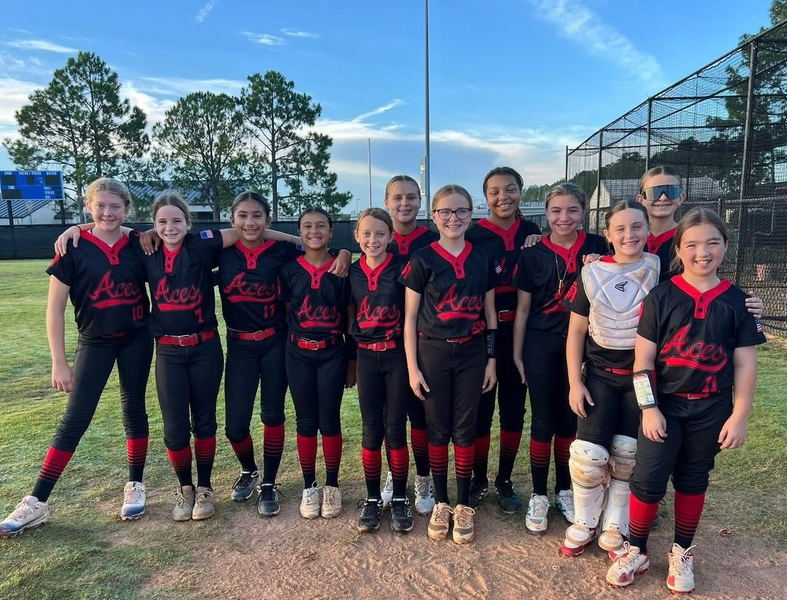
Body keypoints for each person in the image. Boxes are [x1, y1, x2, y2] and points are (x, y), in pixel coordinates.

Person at [607, 208, 766, 594]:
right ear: (678, 248)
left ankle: (682, 550)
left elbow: (745, 364)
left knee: (694, 478)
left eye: (713, 242)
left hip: (711, 407)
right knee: (647, 478)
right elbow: (642, 361)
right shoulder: (661, 296)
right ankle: (638, 548)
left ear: (726, 246)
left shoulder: (738, 302)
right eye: (692, 244)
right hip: (665, 404)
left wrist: (740, 415)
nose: (703, 252)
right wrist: (648, 408)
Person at [0, 178, 153, 537]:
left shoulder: (138, 243)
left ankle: (135, 483)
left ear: (126, 209)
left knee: (134, 409)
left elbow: (149, 236)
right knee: (75, 418)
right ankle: (37, 501)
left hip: (136, 338)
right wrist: (59, 361)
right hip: (94, 342)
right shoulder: (73, 247)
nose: (107, 212)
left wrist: (87, 226)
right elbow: (54, 309)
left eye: (115, 206)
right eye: (100, 206)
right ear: (89, 207)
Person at [218, 191, 350, 517]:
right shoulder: (218, 252)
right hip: (240, 344)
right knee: (235, 426)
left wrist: (345, 250)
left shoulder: (282, 252)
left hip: (278, 343)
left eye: (257, 216)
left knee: (275, 414)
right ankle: (250, 470)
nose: (250, 222)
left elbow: (317, 244)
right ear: (232, 220)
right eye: (243, 216)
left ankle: (272, 483)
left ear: (268, 220)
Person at [561, 200, 659, 557]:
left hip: (640, 379)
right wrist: (575, 381)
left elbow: (705, 280)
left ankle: (614, 523)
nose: (629, 234)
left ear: (648, 230)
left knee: (627, 455)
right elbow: (575, 333)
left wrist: (751, 306)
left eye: (637, 227)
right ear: (607, 235)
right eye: (620, 228)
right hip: (599, 376)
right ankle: (585, 521)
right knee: (588, 457)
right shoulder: (591, 272)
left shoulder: (661, 269)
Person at [401, 184, 497, 544]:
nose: (453, 218)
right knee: (437, 427)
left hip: (472, 351)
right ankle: (441, 502)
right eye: (445, 212)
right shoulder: (423, 258)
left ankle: (462, 503)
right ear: (435, 216)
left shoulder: (481, 256)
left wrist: (491, 360)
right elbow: (409, 319)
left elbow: (490, 315)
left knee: (465, 427)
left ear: (472, 215)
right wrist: (412, 367)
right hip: (434, 351)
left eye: (461, 211)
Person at [512, 182, 608, 536]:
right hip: (541, 342)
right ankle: (538, 494)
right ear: (546, 214)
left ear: (583, 212)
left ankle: (565, 490)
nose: (563, 217)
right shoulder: (532, 252)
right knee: (543, 420)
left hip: (586, 344)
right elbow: (522, 310)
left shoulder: (600, 245)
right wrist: (518, 354)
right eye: (555, 210)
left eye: (571, 210)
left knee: (572, 422)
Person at [143, 192, 241, 521]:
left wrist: (299, 239)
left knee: (204, 421)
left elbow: (247, 229)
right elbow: (106, 226)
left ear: (188, 222)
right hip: (169, 350)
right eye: (161, 222)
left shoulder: (201, 244)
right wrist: (76, 228)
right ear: (153, 226)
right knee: (174, 428)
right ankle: (184, 488)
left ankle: (205, 488)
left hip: (205, 348)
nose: (169, 227)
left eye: (176, 221)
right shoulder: (147, 249)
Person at [465, 166, 541, 513]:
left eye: (510, 189)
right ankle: (478, 479)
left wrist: (540, 243)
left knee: (513, 409)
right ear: (485, 198)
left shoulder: (533, 231)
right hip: (484, 330)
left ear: (521, 192)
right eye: (494, 191)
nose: (503, 197)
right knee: (481, 411)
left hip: (522, 331)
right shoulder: (475, 234)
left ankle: (504, 480)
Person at [279, 207, 356, 520]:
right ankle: (310, 484)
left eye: (321, 226)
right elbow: (288, 311)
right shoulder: (288, 270)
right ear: (300, 232)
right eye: (307, 226)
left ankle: (332, 484)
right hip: (298, 353)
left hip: (332, 353)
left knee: (330, 420)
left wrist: (351, 359)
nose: (314, 231)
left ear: (330, 231)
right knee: (305, 420)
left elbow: (350, 316)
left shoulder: (342, 269)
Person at [350, 208, 413, 534]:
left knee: (395, 428)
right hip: (365, 358)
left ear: (391, 236)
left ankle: (400, 496)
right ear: (357, 236)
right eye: (366, 233)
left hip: (396, 357)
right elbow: (347, 315)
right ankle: (373, 497)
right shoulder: (349, 271)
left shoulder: (403, 269)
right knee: (371, 429)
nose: (372, 239)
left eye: (379, 233)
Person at [382, 175, 438, 515]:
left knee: (421, 415)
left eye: (411, 197)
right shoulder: (378, 241)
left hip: (425, 341)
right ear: (387, 202)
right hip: (386, 344)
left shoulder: (434, 240)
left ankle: (424, 476)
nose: (404, 203)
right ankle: (395, 473)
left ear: (421, 201)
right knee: (392, 416)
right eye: (397, 197)